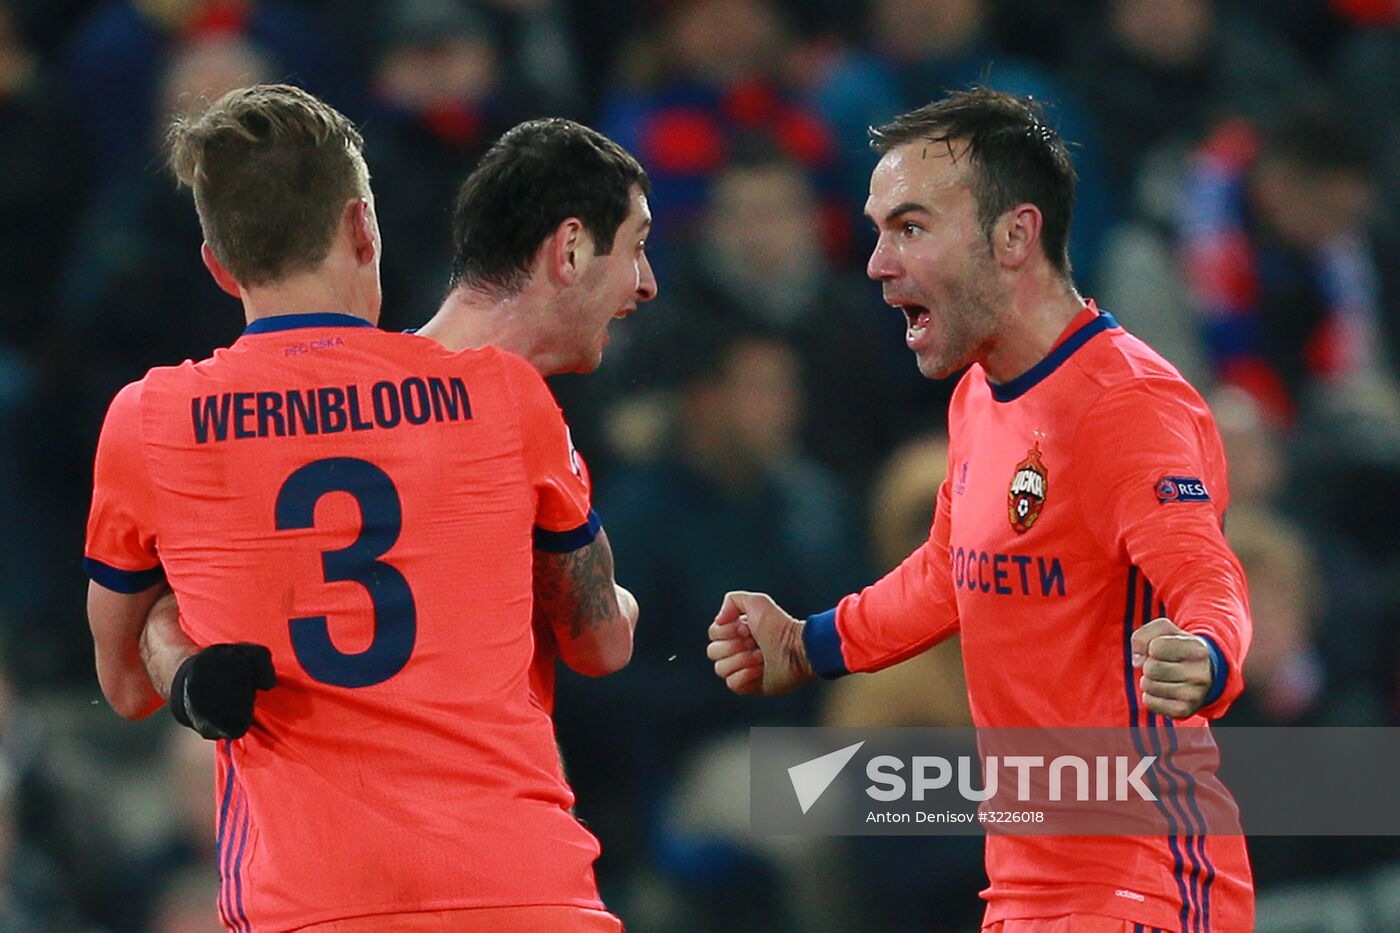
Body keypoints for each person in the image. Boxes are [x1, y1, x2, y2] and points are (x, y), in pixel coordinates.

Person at [85, 84, 633, 931]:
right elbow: (597, 639)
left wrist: (177, 652)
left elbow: (124, 686)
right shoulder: (501, 396)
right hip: (524, 889)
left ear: (220, 266)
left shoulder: (150, 422)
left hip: (315, 901)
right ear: (362, 227)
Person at [706, 88, 1255, 932]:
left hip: (1142, 880)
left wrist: (1209, 655)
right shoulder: (978, 396)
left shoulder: (1127, 405)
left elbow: (1205, 572)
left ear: (1014, 236)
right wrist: (808, 640)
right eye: (879, 227)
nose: (876, 262)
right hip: (1025, 885)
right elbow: (947, 570)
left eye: (911, 228)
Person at [137, 114, 658, 728]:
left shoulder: (317, 412)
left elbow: (174, 608)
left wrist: (179, 664)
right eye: (638, 246)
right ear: (570, 249)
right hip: (470, 806)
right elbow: (602, 644)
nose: (647, 284)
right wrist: (615, 597)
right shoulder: (509, 417)